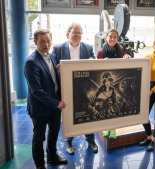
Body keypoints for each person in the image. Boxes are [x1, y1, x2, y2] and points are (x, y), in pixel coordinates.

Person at [51, 23, 98, 155]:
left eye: (80, 33)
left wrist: (92, 62)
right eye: (74, 32)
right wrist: (57, 69)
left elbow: (94, 67)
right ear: (67, 34)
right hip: (66, 89)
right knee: (68, 115)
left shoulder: (88, 48)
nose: (77, 35)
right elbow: (53, 70)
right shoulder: (58, 49)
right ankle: (69, 141)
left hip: (85, 90)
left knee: (89, 113)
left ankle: (91, 139)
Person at [24, 29, 67, 169]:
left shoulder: (52, 56)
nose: (46, 44)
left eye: (48, 41)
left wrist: (60, 72)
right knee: (39, 138)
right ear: (35, 42)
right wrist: (57, 103)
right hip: (40, 107)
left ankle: (52, 156)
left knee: (54, 132)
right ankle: (40, 165)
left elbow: (52, 79)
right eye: (42, 41)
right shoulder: (31, 62)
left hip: (55, 104)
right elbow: (36, 91)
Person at [97, 28, 131, 138]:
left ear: (117, 38)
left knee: (114, 107)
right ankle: (106, 128)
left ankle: (113, 129)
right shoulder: (101, 52)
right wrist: (102, 63)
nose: (112, 38)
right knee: (105, 107)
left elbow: (125, 66)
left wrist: (127, 58)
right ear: (106, 37)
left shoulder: (121, 50)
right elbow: (96, 69)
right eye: (110, 36)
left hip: (115, 83)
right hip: (105, 84)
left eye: (115, 37)